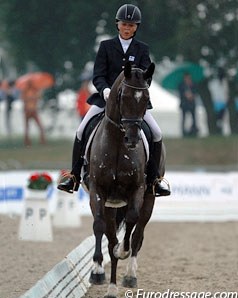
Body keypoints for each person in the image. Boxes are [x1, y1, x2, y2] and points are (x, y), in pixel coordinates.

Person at [58, 4, 170, 197]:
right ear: (118, 24)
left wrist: (138, 89)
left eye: (132, 25)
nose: (127, 28)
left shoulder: (142, 49)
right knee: (81, 130)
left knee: (157, 133)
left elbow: (147, 77)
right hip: (106, 100)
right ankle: (74, 176)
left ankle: (154, 180)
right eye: (125, 24)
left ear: (136, 27)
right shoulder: (106, 47)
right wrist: (106, 90)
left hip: (132, 105)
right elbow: (98, 76)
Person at [21, 80, 46, 146]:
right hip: (28, 111)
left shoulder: (35, 91)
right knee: (27, 127)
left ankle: (42, 140)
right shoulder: (25, 91)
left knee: (40, 126)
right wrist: (30, 98)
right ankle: (27, 142)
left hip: (34, 110)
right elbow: (23, 99)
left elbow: (39, 97)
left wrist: (37, 94)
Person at [208, 68, 229, 134]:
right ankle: (218, 130)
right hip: (217, 102)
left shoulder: (223, 82)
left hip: (221, 102)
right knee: (218, 118)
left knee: (220, 118)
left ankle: (220, 129)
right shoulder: (215, 82)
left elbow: (225, 92)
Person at [178, 72, 198, 136]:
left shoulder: (193, 84)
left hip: (192, 104)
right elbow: (181, 93)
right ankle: (184, 131)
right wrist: (186, 95)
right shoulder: (181, 85)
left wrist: (192, 95)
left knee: (194, 118)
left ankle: (194, 130)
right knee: (184, 118)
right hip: (184, 104)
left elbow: (196, 92)